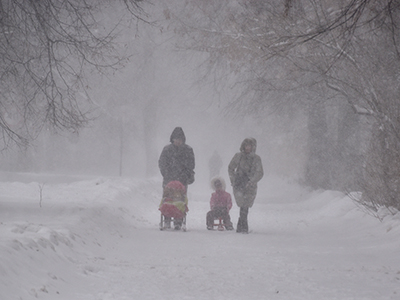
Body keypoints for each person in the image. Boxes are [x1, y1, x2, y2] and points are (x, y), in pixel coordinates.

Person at [158, 127, 195, 229]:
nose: (178, 141)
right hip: (169, 179)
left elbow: (191, 164)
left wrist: (186, 174)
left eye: (180, 139)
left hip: (182, 180)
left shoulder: (188, 150)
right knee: (168, 199)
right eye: (176, 139)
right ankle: (167, 219)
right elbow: (162, 163)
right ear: (172, 139)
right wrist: (166, 174)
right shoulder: (167, 150)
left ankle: (179, 220)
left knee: (180, 200)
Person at [228, 138, 263, 233]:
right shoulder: (238, 156)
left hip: (250, 185)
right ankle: (243, 224)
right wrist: (233, 179)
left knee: (246, 204)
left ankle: (242, 223)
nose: (247, 148)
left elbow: (259, 172)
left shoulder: (256, 159)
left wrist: (252, 181)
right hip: (239, 184)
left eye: (249, 146)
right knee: (242, 204)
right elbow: (231, 167)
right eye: (246, 145)